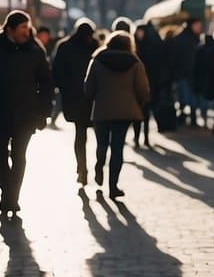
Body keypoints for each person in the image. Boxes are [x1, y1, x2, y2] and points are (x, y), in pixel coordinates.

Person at [0, 11, 53, 218]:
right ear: (10, 29)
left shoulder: (35, 52)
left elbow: (46, 82)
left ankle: (12, 197)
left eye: (28, 28)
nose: (27, 32)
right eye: (23, 29)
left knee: (19, 156)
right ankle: (7, 190)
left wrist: (43, 111)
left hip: (26, 114)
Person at [83, 32, 151, 199]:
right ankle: (113, 187)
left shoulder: (97, 60)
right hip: (125, 112)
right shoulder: (135, 62)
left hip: (102, 110)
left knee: (101, 145)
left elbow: (88, 87)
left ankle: (99, 168)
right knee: (117, 149)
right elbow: (143, 89)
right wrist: (138, 103)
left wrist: (95, 98)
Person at [52, 19, 99, 185]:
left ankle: (82, 169)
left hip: (74, 98)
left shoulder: (65, 46)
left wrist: (65, 89)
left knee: (80, 136)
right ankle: (97, 169)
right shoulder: (96, 47)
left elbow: (57, 71)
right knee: (100, 136)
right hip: (93, 98)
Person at [133, 22, 165, 145]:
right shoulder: (135, 46)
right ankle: (137, 138)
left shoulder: (150, 47)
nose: (139, 34)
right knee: (137, 113)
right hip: (137, 85)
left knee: (145, 113)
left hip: (149, 84)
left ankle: (145, 137)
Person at [168, 18, 203, 125]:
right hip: (184, 74)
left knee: (188, 97)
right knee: (185, 97)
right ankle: (185, 117)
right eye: (197, 25)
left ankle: (188, 117)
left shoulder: (196, 38)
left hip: (191, 74)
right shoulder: (184, 39)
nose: (199, 27)